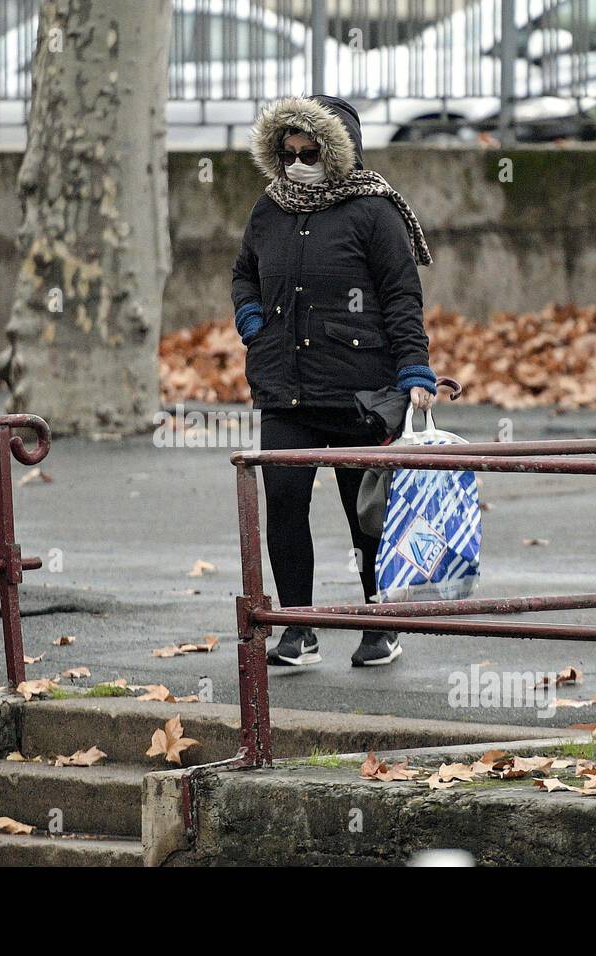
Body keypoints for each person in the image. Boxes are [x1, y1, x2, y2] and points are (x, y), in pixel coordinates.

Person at [231, 94, 436, 668]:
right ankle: (297, 628)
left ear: (337, 151)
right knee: (285, 504)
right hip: (284, 389)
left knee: (364, 510)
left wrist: (414, 369)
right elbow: (245, 271)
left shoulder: (374, 211)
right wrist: (252, 320)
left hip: (358, 391)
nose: (298, 161)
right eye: (289, 151)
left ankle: (378, 623)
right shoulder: (269, 208)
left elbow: (401, 295)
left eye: (310, 150)